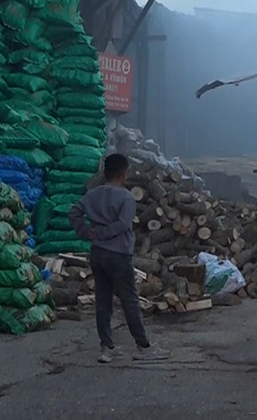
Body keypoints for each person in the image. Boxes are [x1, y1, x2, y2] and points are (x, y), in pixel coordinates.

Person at [69, 153, 170, 363]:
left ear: (105, 173)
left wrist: (86, 232)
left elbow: (74, 213)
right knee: (129, 300)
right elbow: (123, 224)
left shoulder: (93, 194)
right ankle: (143, 346)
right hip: (119, 254)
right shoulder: (126, 197)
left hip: (97, 253)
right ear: (124, 174)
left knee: (103, 301)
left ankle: (106, 348)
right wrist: (104, 233)